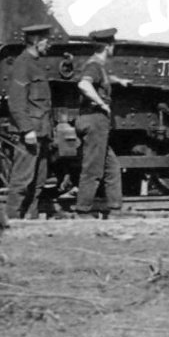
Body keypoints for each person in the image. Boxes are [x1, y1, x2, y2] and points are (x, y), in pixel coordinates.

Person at [75, 28, 133, 218]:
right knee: (93, 167)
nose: (113, 48)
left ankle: (115, 209)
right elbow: (84, 84)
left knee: (112, 167)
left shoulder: (98, 66)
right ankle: (83, 210)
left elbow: (102, 80)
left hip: (96, 120)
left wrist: (120, 80)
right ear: (108, 46)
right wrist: (101, 103)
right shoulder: (94, 65)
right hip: (95, 119)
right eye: (112, 45)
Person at [5, 24, 53, 219]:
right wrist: (27, 129)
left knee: (38, 180)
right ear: (35, 41)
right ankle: (13, 218)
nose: (48, 45)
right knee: (22, 178)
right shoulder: (22, 64)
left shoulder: (35, 63)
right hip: (31, 131)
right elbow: (16, 102)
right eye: (45, 41)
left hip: (42, 130)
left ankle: (30, 218)